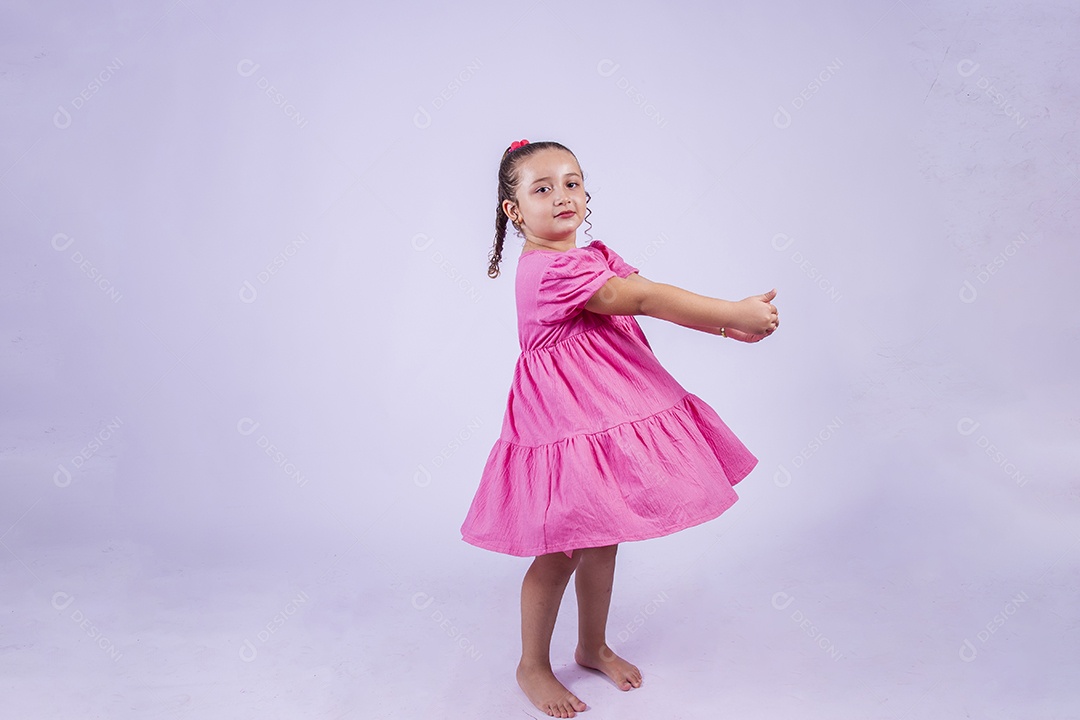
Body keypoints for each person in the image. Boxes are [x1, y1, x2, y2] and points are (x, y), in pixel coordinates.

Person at [460, 138, 779, 718]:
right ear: (514, 211)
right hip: (563, 419)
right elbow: (642, 298)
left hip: (601, 411)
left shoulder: (590, 256)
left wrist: (725, 332)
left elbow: (644, 299)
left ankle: (590, 645)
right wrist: (732, 312)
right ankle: (531, 665)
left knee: (603, 534)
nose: (563, 195)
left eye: (573, 182)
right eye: (542, 188)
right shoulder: (546, 272)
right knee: (560, 548)